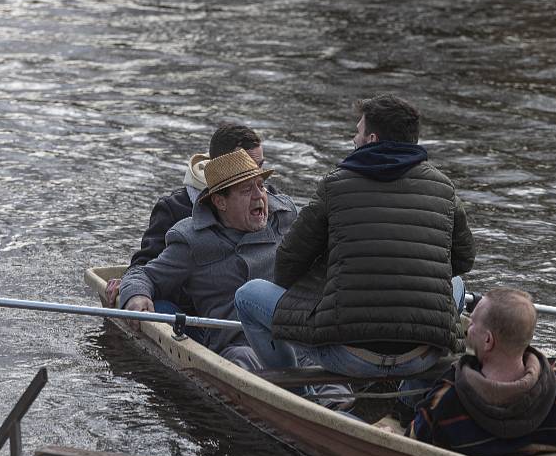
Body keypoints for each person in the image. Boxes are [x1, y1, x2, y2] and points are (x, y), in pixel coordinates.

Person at [235, 93, 476, 388]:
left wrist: (322, 285)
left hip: (349, 355)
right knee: (457, 285)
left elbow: (286, 264)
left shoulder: (335, 184)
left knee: (247, 296)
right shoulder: (445, 188)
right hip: (421, 355)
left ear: (371, 139)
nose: (353, 138)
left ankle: (297, 393)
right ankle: (409, 403)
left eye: (358, 131)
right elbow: (464, 259)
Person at [117, 148, 298, 370]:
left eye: (261, 186)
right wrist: (135, 294)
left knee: (333, 386)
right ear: (221, 202)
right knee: (242, 363)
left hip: (297, 337)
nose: (259, 196)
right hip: (241, 345)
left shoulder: (285, 216)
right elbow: (144, 274)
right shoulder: (193, 240)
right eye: (246, 190)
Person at [407, 288, 556, 456]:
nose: (468, 329)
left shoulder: (447, 398)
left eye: (472, 323)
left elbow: (412, 441)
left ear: (488, 341)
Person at [105, 124, 269, 308]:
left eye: (260, 167)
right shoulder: (174, 209)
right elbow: (146, 266)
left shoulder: (271, 203)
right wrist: (133, 287)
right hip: (195, 309)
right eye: (246, 169)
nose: (257, 176)